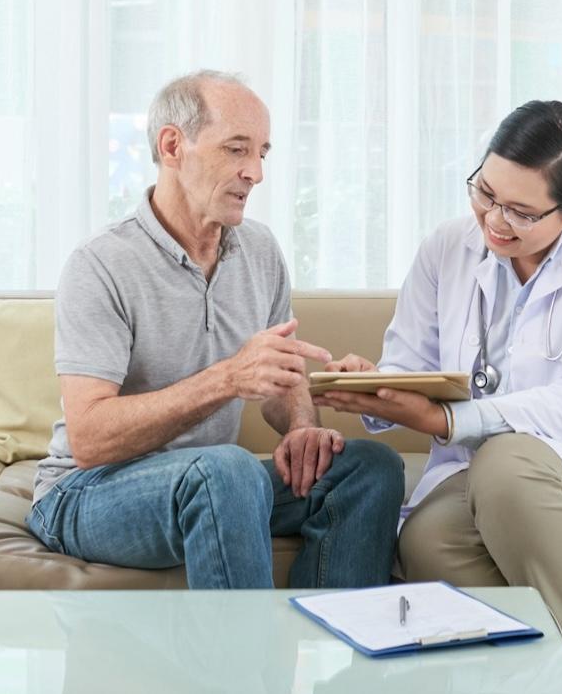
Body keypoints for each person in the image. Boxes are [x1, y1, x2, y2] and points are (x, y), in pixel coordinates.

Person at [313, 100, 562, 694]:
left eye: (520, 211)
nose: (495, 220)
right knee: (426, 542)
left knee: (508, 462)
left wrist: (447, 421)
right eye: (485, 192)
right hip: (475, 475)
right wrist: (377, 384)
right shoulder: (445, 249)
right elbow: (412, 362)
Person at [27, 70, 404, 589]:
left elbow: (279, 379)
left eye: (262, 153)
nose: (255, 173)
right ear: (172, 145)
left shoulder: (261, 251)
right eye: (236, 150)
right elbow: (90, 439)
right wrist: (228, 379)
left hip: (216, 483)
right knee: (226, 470)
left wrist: (301, 429)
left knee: (369, 468)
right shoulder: (102, 264)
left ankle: (331, 646)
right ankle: (247, 671)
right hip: (87, 491)